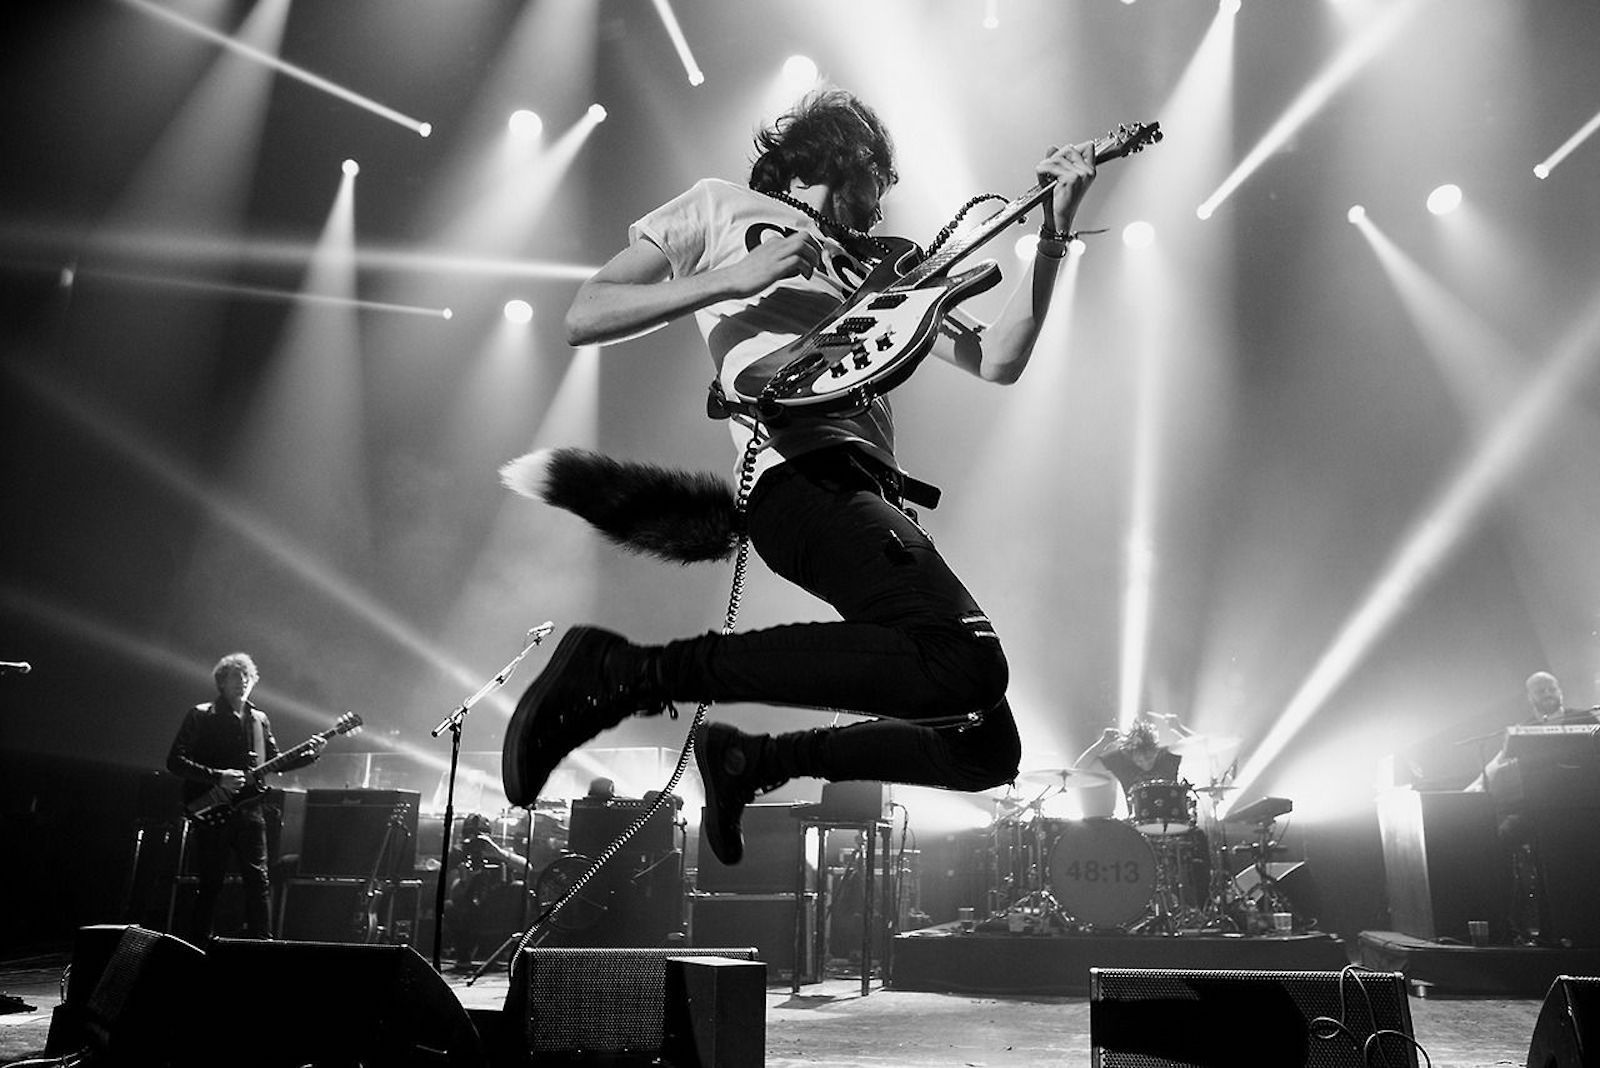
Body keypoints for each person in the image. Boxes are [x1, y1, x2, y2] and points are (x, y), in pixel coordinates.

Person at [500, 88, 1098, 865]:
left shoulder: (876, 268)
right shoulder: (720, 206)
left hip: (865, 491)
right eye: (878, 184)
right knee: (966, 663)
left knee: (985, 750)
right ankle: (628, 671)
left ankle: (755, 761)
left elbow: (999, 360)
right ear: (848, 158)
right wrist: (734, 279)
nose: (881, 208)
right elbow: (587, 313)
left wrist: (1054, 232)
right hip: (799, 476)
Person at [167, 652, 324, 940]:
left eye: (246, 677)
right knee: (210, 883)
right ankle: (199, 946)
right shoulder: (201, 715)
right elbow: (175, 761)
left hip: (250, 811)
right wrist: (218, 777)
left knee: (258, 881)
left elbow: (275, 762)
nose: (242, 682)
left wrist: (310, 756)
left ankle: (261, 944)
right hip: (212, 809)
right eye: (235, 677)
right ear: (221, 682)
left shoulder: (259, 720)